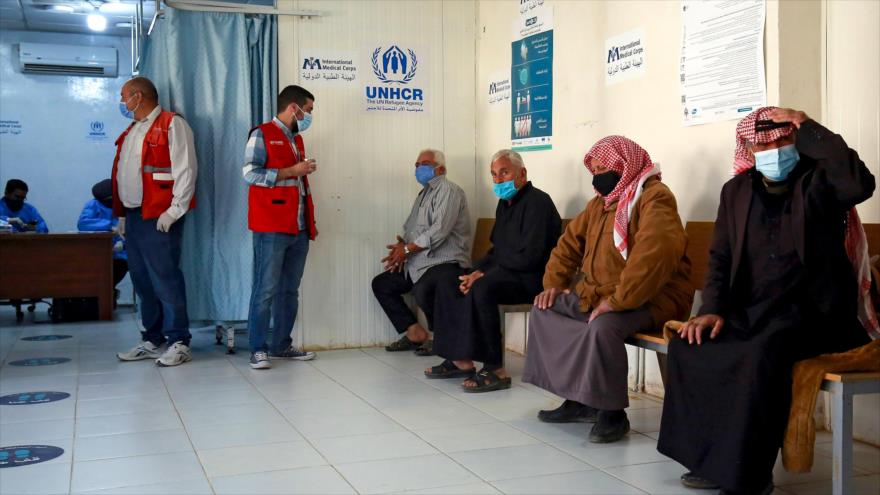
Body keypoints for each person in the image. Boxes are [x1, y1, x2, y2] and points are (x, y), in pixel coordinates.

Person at [657, 107, 876, 495]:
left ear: (796, 141)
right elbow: (721, 257)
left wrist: (806, 124)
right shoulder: (736, 191)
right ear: (750, 148)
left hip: (815, 314)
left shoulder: (821, 181)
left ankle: (751, 474)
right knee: (691, 347)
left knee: (760, 354)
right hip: (752, 310)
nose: (773, 149)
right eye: (763, 144)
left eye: (782, 140)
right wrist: (711, 310)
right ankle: (711, 460)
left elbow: (860, 184)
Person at [523, 136, 693, 443]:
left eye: (605, 167)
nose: (599, 174)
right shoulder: (598, 206)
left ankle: (611, 413)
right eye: (595, 169)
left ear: (624, 166)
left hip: (654, 297)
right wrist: (554, 285)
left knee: (603, 327)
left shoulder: (653, 197)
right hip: (603, 295)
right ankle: (578, 398)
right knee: (545, 309)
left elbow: (654, 255)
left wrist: (618, 301)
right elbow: (567, 246)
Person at [425, 149, 561, 392]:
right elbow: (496, 250)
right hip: (506, 273)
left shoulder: (539, 202)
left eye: (504, 172)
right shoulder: (505, 204)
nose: (498, 179)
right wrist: (473, 271)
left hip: (532, 278)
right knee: (449, 281)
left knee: (483, 287)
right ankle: (459, 359)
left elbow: (531, 257)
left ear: (522, 174)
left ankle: (495, 368)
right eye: (494, 174)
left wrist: (482, 276)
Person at [113, 76, 198, 367]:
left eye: (124, 96)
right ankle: (154, 338)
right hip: (135, 216)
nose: (122, 102)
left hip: (160, 215)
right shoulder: (133, 130)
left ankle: (178, 340)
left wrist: (175, 210)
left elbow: (186, 169)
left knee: (165, 279)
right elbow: (124, 174)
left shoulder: (173, 124)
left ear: (139, 96)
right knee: (142, 280)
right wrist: (122, 215)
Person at [243, 85, 318, 370]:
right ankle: (258, 348)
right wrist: (291, 171)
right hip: (271, 226)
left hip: (297, 226)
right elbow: (250, 173)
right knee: (265, 289)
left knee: (290, 290)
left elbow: (297, 183)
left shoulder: (296, 140)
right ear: (293, 108)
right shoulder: (262, 133)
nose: (309, 116)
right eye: (308, 110)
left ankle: (281, 345)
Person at [372, 149, 471, 352]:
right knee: (382, 284)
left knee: (425, 287)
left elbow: (439, 229)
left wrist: (407, 249)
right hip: (419, 261)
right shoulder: (424, 193)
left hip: (445, 262)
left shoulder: (449, 190)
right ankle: (415, 333)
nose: (418, 169)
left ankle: (441, 339)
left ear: (440, 168)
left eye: (424, 164)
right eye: (416, 165)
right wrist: (402, 247)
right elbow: (412, 227)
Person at [77, 179, 128, 294]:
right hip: (96, 253)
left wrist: (122, 243)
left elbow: (131, 228)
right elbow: (83, 223)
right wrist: (110, 226)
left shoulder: (124, 205)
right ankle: (101, 294)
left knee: (120, 266)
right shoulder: (93, 204)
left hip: (119, 254)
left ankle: (107, 293)